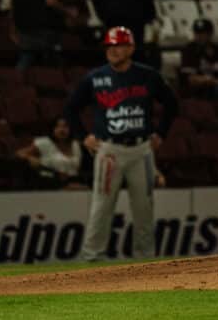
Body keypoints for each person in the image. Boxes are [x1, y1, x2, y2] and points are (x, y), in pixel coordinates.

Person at [64, 26, 179, 262]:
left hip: (141, 149)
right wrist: (82, 135)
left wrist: (161, 134)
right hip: (110, 150)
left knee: (144, 208)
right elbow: (71, 108)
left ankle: (145, 259)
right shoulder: (96, 78)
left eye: (118, 45)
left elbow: (172, 104)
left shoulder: (148, 75)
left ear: (131, 48)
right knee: (102, 206)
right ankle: (92, 257)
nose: (113, 50)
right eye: (109, 46)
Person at [180, 19, 218, 100]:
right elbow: (192, 79)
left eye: (204, 33)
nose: (200, 36)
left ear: (210, 33)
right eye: (197, 33)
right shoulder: (189, 50)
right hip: (201, 91)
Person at [15, 117, 83, 179]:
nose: (61, 130)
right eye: (57, 127)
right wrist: (30, 158)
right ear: (52, 129)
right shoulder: (44, 143)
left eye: (65, 126)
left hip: (73, 180)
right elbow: (19, 153)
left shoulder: (75, 144)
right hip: (49, 181)